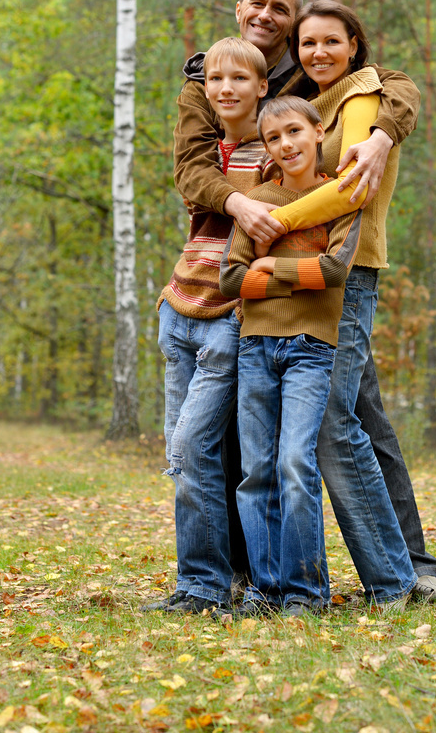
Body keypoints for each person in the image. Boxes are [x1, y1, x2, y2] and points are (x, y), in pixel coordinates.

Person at [173, 0, 436, 604]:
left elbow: (396, 85)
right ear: (238, 9)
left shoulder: (318, 86)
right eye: (259, 5)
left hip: (331, 271)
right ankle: (253, 576)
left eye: (284, 10)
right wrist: (244, 210)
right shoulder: (210, 83)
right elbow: (191, 170)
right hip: (240, 280)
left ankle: (406, 570)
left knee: (348, 422)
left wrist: (385, 133)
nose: (268, 17)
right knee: (259, 440)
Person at [220, 96, 416, 615]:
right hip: (254, 348)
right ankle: (265, 590)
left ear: (316, 133)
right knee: (256, 472)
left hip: (312, 349)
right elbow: (230, 279)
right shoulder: (256, 200)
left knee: (294, 466)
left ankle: (306, 592)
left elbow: (333, 272)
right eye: (274, 138)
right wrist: (274, 275)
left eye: (294, 132)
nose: (286, 145)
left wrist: (267, 270)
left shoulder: (340, 196)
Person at [144, 37, 271, 616]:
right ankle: (197, 583)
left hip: (225, 319)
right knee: (181, 454)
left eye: (239, 80)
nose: (225, 89)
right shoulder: (205, 155)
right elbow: (193, 189)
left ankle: (207, 585)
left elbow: (276, 216)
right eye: (214, 80)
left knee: (196, 448)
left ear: (262, 88)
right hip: (180, 310)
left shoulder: (272, 156)